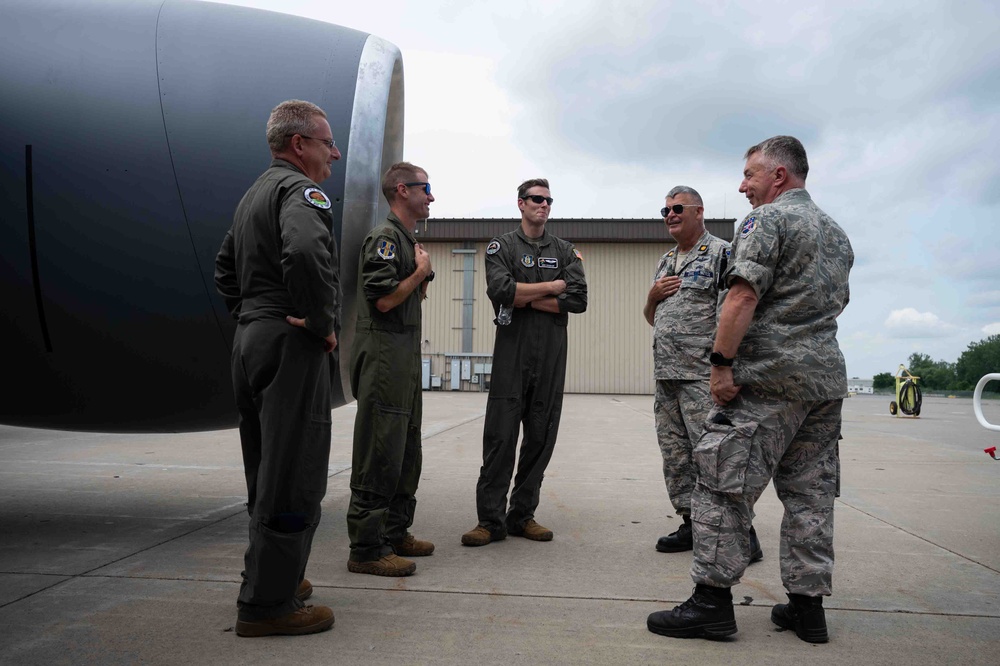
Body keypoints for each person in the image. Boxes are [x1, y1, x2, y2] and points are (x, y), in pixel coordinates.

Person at [646, 136, 853, 643]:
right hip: (822, 384)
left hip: (766, 382)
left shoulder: (767, 221)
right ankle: (807, 608)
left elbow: (740, 297)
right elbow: (837, 304)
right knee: (810, 496)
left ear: (779, 176)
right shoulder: (836, 232)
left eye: (751, 175)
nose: (743, 186)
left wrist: (720, 365)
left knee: (721, 487)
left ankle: (711, 604)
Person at [215, 99, 342, 637]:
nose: (333, 153)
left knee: (264, 468)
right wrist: (319, 320)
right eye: (326, 142)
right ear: (299, 145)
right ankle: (269, 605)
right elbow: (309, 251)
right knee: (294, 471)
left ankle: (273, 575)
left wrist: (255, 315)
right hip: (289, 341)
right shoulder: (299, 191)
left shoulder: (253, 195)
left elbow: (225, 269)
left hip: (252, 338)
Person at [462, 178, 587, 547]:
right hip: (512, 355)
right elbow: (501, 291)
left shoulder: (565, 250)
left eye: (548, 200)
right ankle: (490, 521)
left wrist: (523, 297)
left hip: (549, 356)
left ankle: (522, 515)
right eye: (536, 199)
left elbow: (578, 299)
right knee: (500, 438)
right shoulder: (502, 246)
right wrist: (551, 287)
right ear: (520, 203)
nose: (543, 205)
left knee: (540, 436)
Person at [643, 186, 763, 561]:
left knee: (714, 457)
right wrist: (652, 296)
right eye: (664, 211)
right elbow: (653, 320)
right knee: (676, 456)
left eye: (678, 208)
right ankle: (692, 523)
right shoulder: (666, 261)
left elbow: (734, 313)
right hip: (667, 376)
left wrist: (724, 369)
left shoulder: (722, 253)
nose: (670, 215)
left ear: (699, 212)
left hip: (701, 377)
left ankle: (743, 533)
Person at [346, 162, 436, 576]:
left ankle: (395, 531)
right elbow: (382, 300)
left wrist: (420, 277)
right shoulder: (384, 238)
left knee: (406, 446)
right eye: (425, 188)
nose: (431, 197)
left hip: (403, 356)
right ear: (402, 190)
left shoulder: (406, 239)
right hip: (384, 358)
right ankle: (366, 547)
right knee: (379, 449)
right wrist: (419, 272)